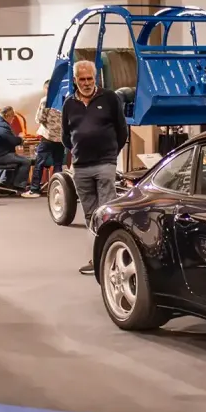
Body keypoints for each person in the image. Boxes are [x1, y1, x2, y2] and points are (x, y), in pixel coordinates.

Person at [62, 60, 128, 275]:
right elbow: (66, 136)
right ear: (75, 80)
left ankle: (111, 258)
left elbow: (122, 130)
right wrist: (79, 150)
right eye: (82, 79)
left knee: (106, 212)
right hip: (81, 166)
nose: (86, 83)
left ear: (96, 78)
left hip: (105, 163)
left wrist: (111, 154)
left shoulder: (109, 98)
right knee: (90, 214)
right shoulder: (69, 104)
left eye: (90, 78)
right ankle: (95, 258)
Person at [23, 83, 64, 198]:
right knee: (58, 164)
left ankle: (35, 189)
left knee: (39, 163)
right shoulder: (64, 99)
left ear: (47, 88)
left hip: (47, 137)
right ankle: (58, 189)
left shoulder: (46, 100)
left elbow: (40, 118)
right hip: (60, 138)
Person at [0, 106, 31, 191]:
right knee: (26, 161)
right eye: (12, 117)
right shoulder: (2, 124)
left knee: (15, 158)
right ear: (7, 115)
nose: (13, 119)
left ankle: (5, 185)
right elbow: (12, 141)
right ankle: (19, 187)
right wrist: (21, 138)